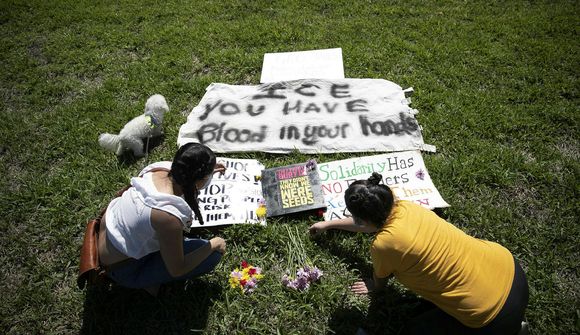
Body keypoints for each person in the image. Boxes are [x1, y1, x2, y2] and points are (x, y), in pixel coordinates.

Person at [309, 172, 529, 334]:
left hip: (489, 314)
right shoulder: (405, 207)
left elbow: (381, 279)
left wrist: (374, 286)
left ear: (363, 218)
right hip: (510, 270)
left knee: (415, 329)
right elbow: (369, 224)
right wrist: (328, 225)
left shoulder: (384, 245)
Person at [98, 142, 227, 296]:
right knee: (211, 256)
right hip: (123, 269)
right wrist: (213, 244)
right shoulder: (168, 217)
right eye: (208, 177)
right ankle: (146, 283)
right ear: (198, 180)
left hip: (107, 239)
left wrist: (207, 172)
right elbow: (178, 269)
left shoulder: (158, 169)